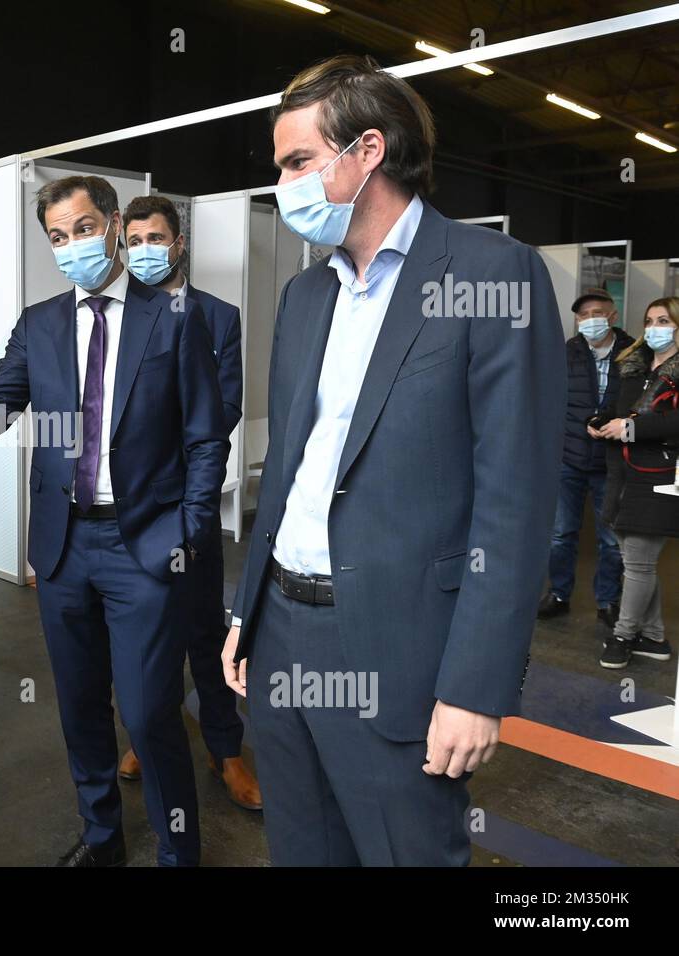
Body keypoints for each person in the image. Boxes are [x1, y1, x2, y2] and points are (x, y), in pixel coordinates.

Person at [220, 55, 564, 866]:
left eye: (298, 161)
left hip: (396, 650)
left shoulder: (491, 276)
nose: (285, 183)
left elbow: (514, 502)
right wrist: (246, 611)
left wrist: (476, 689)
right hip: (281, 635)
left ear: (367, 150)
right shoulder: (307, 298)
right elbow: (295, 472)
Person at [0, 176, 227, 866]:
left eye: (82, 229)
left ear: (112, 226)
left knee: (150, 713)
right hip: (65, 546)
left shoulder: (173, 318)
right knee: (78, 706)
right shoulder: (40, 323)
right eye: (57, 237)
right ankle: (102, 839)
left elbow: (205, 436)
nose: (71, 245)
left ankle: (178, 850)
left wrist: (187, 531)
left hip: (146, 549)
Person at [119, 194, 261, 811]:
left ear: (179, 243)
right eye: (134, 241)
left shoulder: (217, 317)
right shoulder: (113, 316)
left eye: (155, 238)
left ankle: (226, 748)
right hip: (126, 512)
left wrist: (173, 463)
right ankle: (149, 736)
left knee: (204, 630)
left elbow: (222, 409)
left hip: (188, 502)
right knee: (145, 639)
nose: (144, 250)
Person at [538, 288, 632, 629]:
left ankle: (608, 601)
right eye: (583, 315)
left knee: (611, 538)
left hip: (612, 462)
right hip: (570, 458)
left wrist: (620, 425)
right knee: (561, 533)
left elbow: (640, 405)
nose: (590, 320)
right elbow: (554, 400)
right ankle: (559, 594)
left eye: (597, 313)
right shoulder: (569, 351)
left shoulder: (633, 352)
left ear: (613, 316)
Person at [596, 296, 679, 669]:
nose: (653, 327)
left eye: (663, 320)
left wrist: (631, 427)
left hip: (659, 475)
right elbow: (616, 408)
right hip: (623, 473)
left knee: (638, 563)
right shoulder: (634, 364)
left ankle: (623, 635)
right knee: (636, 559)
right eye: (649, 320)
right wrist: (598, 420)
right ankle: (655, 637)